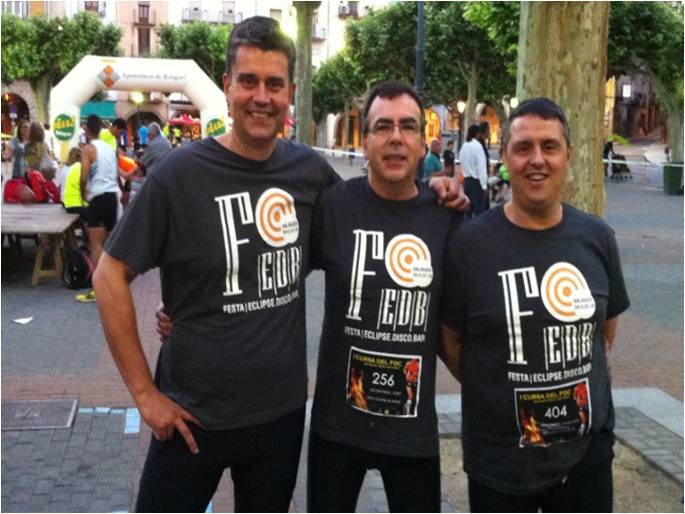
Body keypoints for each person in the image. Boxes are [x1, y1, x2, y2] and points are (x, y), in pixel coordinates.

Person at [94, 17, 467, 513]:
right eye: (248, 81)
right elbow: (109, 275)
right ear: (227, 87)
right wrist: (145, 394)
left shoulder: (309, 174)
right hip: (190, 415)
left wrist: (435, 191)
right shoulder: (179, 175)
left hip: (278, 421)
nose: (261, 97)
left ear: (290, 94)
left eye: (274, 84)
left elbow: (370, 221)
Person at [441, 97, 630, 512]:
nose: (537, 160)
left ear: (569, 156)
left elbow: (603, 333)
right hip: (500, 464)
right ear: (505, 157)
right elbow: (450, 341)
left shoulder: (597, 238)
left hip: (585, 459)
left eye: (550, 147)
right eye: (523, 147)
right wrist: (495, 390)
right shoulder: (469, 245)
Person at [307, 81, 462, 512]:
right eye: (383, 127)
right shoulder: (333, 207)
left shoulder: (447, 217)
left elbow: (464, 321)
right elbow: (276, 273)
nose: (396, 138)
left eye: (408, 127)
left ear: (422, 141)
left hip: (412, 433)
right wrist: (186, 305)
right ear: (366, 140)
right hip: (337, 428)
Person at [77, 114, 119, 303]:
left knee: (95, 244)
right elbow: (116, 174)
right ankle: (113, 284)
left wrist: (82, 193)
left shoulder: (88, 150)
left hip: (98, 197)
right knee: (109, 245)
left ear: (87, 130)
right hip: (112, 197)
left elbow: (84, 176)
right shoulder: (110, 149)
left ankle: (97, 288)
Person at [459, 124, 488, 218]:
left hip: (466, 181)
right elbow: (481, 166)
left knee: (467, 211)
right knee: (479, 212)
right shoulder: (477, 146)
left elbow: (461, 161)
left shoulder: (464, 146)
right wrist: (484, 185)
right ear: (477, 134)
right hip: (476, 182)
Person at [61, 147, 89, 220]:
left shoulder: (65, 168)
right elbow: (85, 187)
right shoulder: (79, 167)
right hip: (75, 203)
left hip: (65, 201)